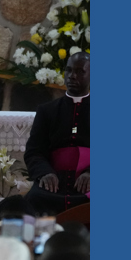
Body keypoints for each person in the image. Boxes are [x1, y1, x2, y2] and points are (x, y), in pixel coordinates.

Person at [25, 52, 90, 215]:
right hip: (54, 180)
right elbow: (34, 151)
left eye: (80, 71)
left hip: (88, 180)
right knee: (34, 198)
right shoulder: (47, 110)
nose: (72, 76)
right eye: (69, 70)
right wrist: (45, 173)